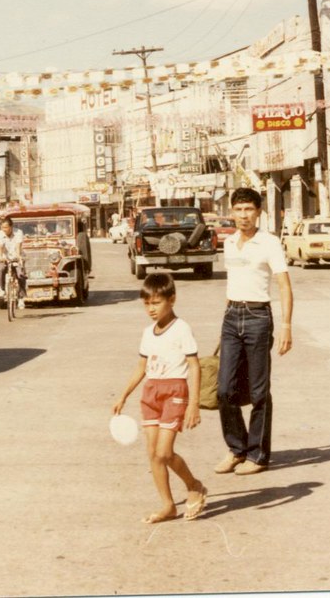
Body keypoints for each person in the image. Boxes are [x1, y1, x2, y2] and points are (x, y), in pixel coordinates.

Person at [113, 272, 207, 524]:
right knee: (153, 454)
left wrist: (194, 404)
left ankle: (194, 485)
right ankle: (167, 505)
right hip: (151, 393)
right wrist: (123, 395)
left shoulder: (182, 328)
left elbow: (195, 366)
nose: (151, 309)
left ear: (172, 299)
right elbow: (141, 366)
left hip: (175, 392)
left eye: (156, 303)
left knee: (165, 453)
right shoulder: (147, 332)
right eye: (146, 304)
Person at [215, 187, 293, 476]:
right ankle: (236, 448)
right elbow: (233, 282)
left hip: (259, 317)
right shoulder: (229, 242)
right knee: (224, 389)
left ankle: (258, 455)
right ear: (232, 211)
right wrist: (225, 320)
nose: (243, 215)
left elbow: (284, 285)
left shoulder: (269, 243)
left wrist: (286, 325)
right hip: (231, 316)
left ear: (259, 212)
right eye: (239, 209)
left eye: (249, 209)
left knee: (259, 391)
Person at [0, 216, 26, 310]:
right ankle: (2, 289)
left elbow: (18, 245)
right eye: (2, 227)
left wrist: (18, 256)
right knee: (1, 269)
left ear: (11, 227)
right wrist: (0, 257)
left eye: (6, 227)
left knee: (21, 274)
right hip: (5, 257)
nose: (4, 229)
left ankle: (21, 298)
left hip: (17, 256)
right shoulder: (0, 234)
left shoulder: (18, 232)